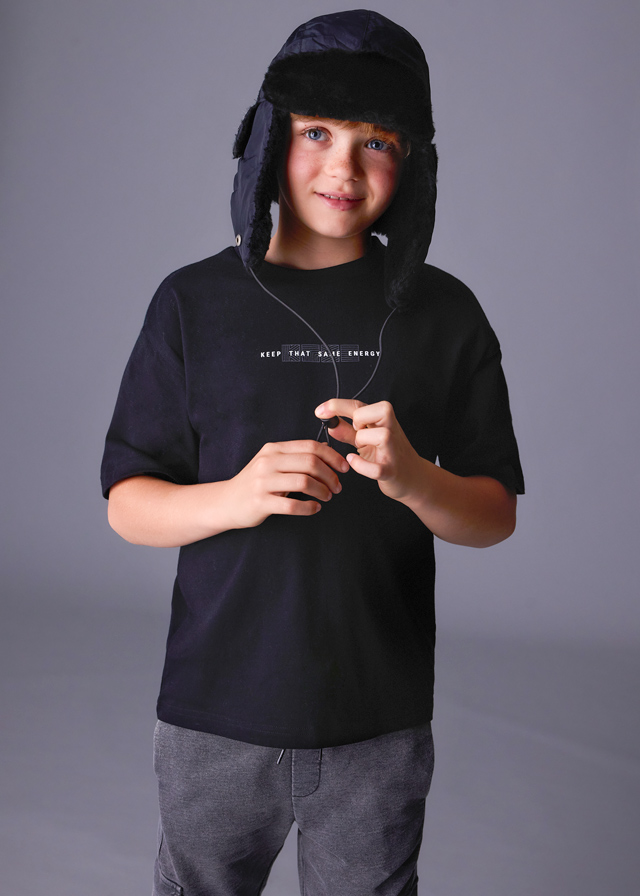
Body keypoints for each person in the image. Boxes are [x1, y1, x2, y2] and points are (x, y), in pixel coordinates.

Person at [101, 9, 524, 895]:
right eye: (317, 133)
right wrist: (238, 494)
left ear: (413, 163)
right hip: (216, 712)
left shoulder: (446, 314)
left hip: (378, 719)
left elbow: (493, 515)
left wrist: (414, 479)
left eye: (379, 142)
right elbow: (128, 504)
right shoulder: (191, 302)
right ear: (268, 140)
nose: (344, 168)